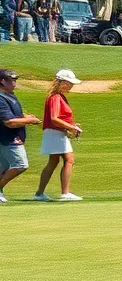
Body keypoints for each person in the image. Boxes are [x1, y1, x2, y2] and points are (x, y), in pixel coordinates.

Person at [33, 69, 84, 201]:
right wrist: (71, 127)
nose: (71, 86)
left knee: (54, 161)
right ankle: (65, 193)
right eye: (69, 83)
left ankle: (39, 193)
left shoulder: (58, 97)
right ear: (62, 82)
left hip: (55, 132)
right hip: (54, 132)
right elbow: (54, 118)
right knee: (69, 159)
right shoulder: (55, 97)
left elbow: (60, 118)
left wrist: (71, 125)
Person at [0, 68, 41, 203]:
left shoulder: (10, 96)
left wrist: (25, 117)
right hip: (8, 139)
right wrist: (30, 121)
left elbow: (15, 116)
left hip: (11, 138)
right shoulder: (1, 99)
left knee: (3, 168)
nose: (15, 82)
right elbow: (9, 122)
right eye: (12, 80)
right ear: (2, 81)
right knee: (20, 164)